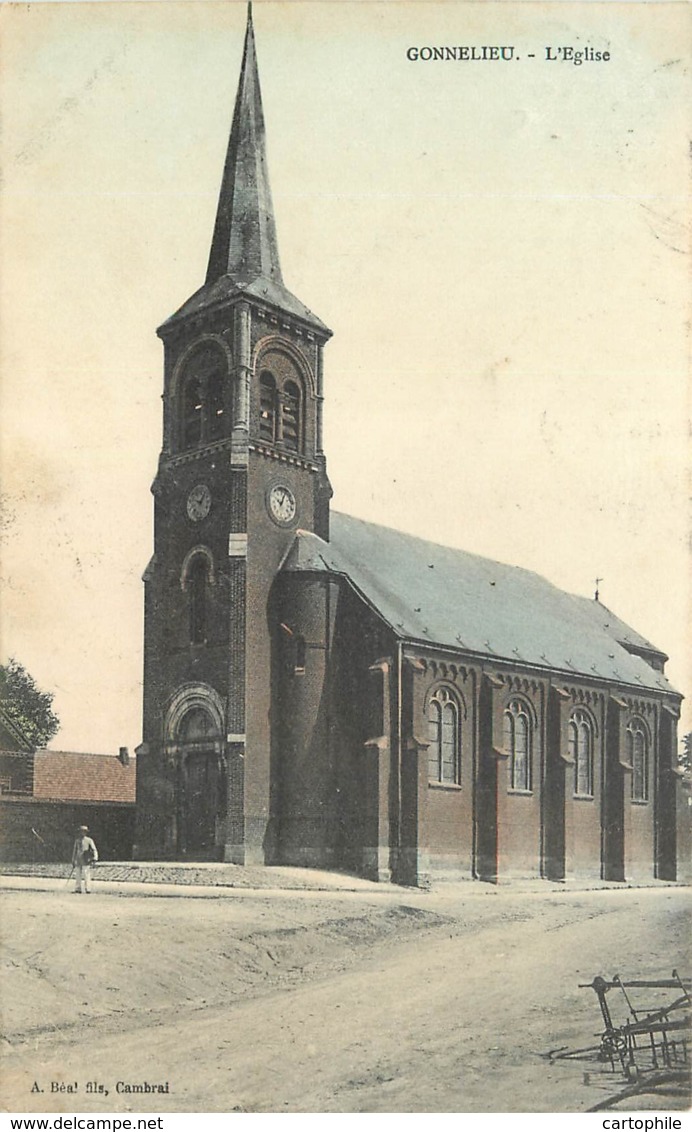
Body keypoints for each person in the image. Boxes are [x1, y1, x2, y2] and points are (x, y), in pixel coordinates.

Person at [71, 825, 98, 893]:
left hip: (86, 859)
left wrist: (95, 858)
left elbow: (94, 849)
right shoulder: (77, 841)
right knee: (78, 874)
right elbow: (75, 851)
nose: (82, 833)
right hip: (78, 859)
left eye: (84, 832)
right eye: (81, 832)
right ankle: (78, 888)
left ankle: (87, 888)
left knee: (86, 874)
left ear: (86, 833)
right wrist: (73, 860)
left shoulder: (89, 840)